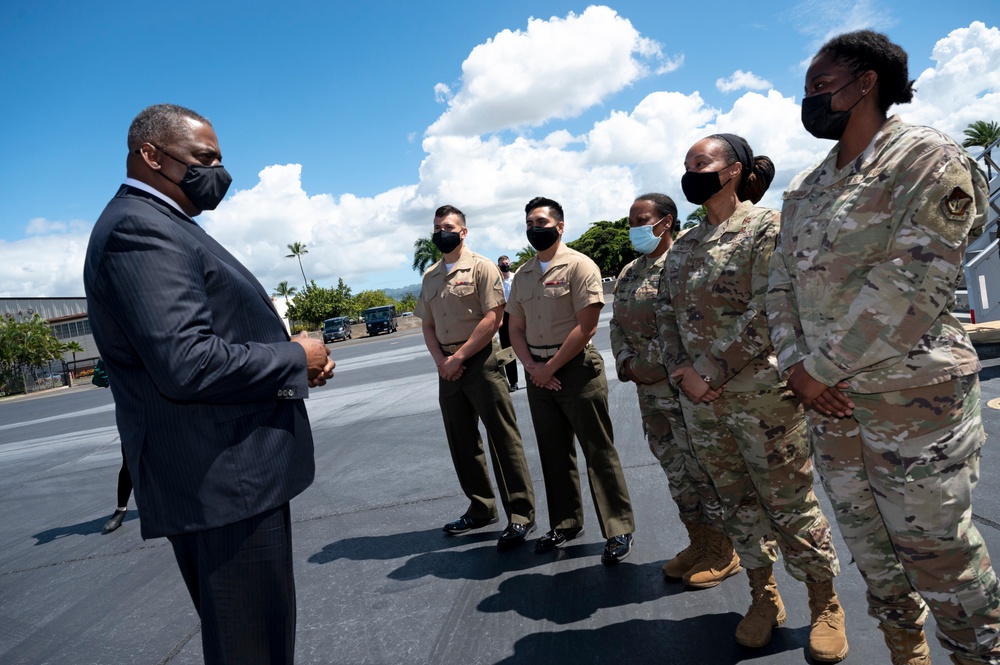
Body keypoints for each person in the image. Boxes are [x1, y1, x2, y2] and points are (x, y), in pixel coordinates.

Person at [767, 30, 1000, 665]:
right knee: (869, 546)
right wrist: (796, 367)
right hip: (832, 405)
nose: (809, 100)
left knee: (938, 553)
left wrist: (816, 370)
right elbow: (779, 283)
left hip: (911, 402)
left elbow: (909, 285)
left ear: (866, 82)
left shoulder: (926, 159)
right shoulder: (807, 187)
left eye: (820, 87)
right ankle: (906, 651)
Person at [84, 103, 334, 664]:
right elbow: (187, 360)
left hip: (227, 480)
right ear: (151, 155)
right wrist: (294, 356)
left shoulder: (162, 223)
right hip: (223, 483)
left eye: (220, 159)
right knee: (252, 649)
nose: (217, 172)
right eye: (203, 158)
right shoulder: (138, 229)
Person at [657, 134, 846, 661]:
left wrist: (711, 370)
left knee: (790, 505)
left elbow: (771, 307)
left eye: (702, 162)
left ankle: (825, 604)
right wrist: (681, 371)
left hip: (762, 398)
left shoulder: (767, 227)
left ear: (734, 170)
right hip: (703, 404)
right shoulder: (686, 246)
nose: (691, 171)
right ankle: (764, 597)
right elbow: (667, 317)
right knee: (735, 503)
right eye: (686, 163)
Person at [610, 193, 739, 587]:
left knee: (703, 472)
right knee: (676, 473)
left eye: (641, 219)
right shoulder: (632, 271)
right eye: (631, 220)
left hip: (686, 392)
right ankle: (698, 542)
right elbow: (617, 324)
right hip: (650, 395)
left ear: (665, 221)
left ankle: (723, 551)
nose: (634, 227)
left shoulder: (684, 261)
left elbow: (694, 325)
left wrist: (662, 366)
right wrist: (628, 364)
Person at [506, 196, 635, 565]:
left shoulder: (580, 266)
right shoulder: (524, 274)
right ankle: (565, 523)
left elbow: (587, 326)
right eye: (530, 223)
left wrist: (550, 368)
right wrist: (532, 366)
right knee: (553, 451)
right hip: (537, 372)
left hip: (576, 369)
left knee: (598, 451)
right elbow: (514, 326)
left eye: (542, 222)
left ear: (560, 226)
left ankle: (617, 528)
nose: (535, 229)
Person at [415, 205, 536, 550]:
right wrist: (442, 360)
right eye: (437, 227)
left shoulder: (482, 267)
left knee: (503, 438)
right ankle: (481, 507)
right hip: (447, 365)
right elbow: (426, 323)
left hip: (480, 360)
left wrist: (460, 357)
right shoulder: (431, 275)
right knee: (461, 440)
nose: (442, 233)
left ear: (463, 231)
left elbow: (493, 318)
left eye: (448, 227)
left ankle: (521, 513)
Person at [496, 255, 519, 391]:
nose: (505, 265)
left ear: (510, 263)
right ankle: (513, 382)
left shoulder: (516, 278)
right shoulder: (497, 282)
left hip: (518, 315)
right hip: (504, 317)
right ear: (499, 266)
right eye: (502, 264)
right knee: (507, 351)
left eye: (506, 263)